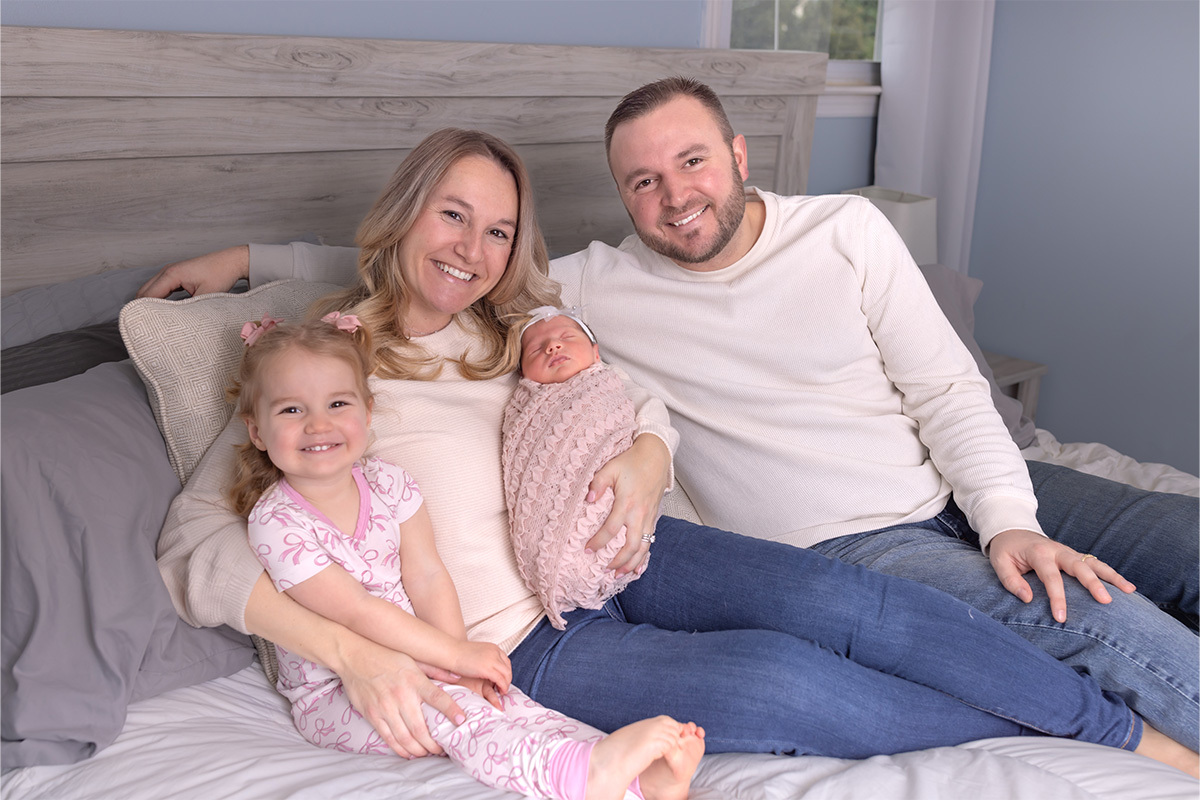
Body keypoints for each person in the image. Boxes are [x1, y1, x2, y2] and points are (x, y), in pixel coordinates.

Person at [140, 128, 1198, 776]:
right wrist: (356, 652)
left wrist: (647, 456)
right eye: (451, 215)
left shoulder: (519, 323)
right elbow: (199, 535)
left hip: (639, 552)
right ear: (407, 213)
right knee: (791, 683)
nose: (470, 247)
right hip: (527, 641)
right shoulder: (330, 362)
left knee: (860, 606)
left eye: (498, 230)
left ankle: (1134, 735)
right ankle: (1092, 734)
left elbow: (625, 393)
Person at [545, 77, 1199, 751]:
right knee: (1101, 619)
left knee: (1188, 538)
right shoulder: (593, 286)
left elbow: (946, 389)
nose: (676, 196)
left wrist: (1006, 521)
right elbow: (469, 301)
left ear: (738, 157)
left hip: (953, 480)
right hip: (852, 543)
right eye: (643, 181)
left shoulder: (845, 230)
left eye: (692, 161)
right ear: (623, 196)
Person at [227, 312, 704, 800]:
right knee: (459, 718)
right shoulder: (277, 522)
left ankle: (637, 783)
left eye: (337, 403)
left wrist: (464, 666)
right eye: (291, 411)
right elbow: (357, 611)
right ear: (258, 432)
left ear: (367, 413)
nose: (318, 424)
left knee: (510, 705)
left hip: (424, 654)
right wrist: (455, 659)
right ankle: (578, 777)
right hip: (341, 691)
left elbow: (429, 576)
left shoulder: (389, 484)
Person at [502, 306, 646, 629]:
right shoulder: (525, 407)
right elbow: (526, 461)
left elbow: (641, 422)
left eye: (567, 337)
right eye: (536, 349)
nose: (552, 346)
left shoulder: (609, 382)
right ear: (522, 372)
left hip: (622, 522)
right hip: (541, 576)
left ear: (596, 352)